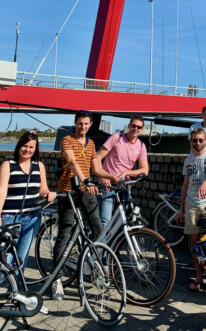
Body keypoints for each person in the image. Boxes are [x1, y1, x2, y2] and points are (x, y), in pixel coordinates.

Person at [52, 110, 119, 301]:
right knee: (65, 234)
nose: (83, 127)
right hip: (69, 192)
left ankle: (96, 267)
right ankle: (56, 279)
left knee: (98, 230)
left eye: (86, 124)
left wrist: (111, 177)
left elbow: (96, 168)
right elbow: (72, 162)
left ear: (90, 125)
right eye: (80, 123)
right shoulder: (67, 140)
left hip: (86, 191)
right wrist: (84, 182)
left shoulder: (90, 144)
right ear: (75, 123)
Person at [0, 132, 56, 274]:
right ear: (19, 146)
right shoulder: (8, 165)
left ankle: (15, 291)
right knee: (6, 258)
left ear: (35, 149)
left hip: (33, 217)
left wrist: (49, 193)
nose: (28, 150)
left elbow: (42, 189)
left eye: (31, 147)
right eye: (25, 146)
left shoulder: (39, 166)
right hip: (10, 217)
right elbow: (1, 192)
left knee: (22, 257)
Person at [176, 128, 206, 291]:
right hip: (191, 204)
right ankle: (199, 275)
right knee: (194, 240)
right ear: (190, 141)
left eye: (201, 140)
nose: (198, 143)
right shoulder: (188, 160)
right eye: (195, 140)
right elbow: (185, 185)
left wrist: (205, 183)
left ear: (205, 140)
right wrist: (181, 209)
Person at [95, 115, 149, 227]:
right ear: (129, 126)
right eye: (133, 126)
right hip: (107, 187)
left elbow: (145, 170)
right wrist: (103, 177)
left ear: (142, 130)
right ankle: (101, 244)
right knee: (105, 222)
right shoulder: (116, 138)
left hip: (124, 187)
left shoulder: (141, 146)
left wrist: (127, 173)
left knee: (121, 223)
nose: (135, 129)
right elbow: (97, 157)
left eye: (139, 127)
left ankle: (114, 244)